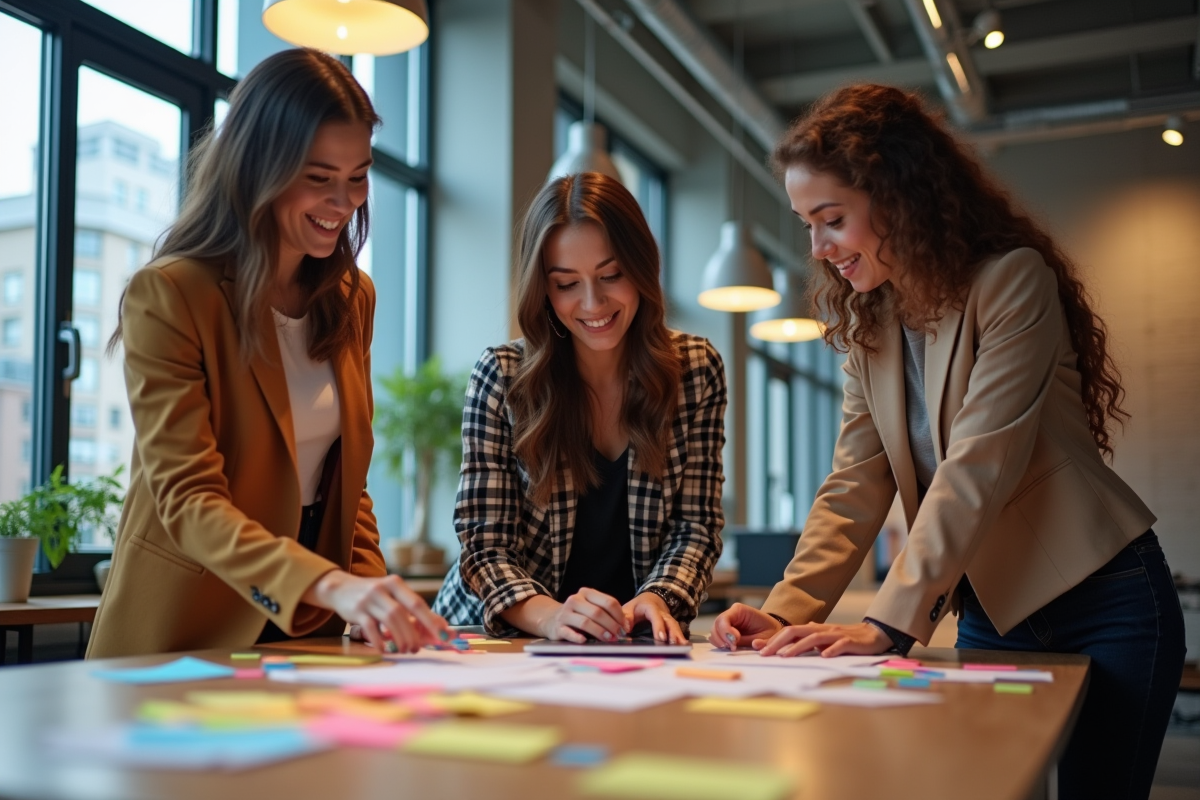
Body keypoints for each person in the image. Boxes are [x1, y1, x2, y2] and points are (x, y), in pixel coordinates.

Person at [709, 84, 1185, 800]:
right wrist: (785, 611)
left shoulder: (1012, 282)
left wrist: (886, 624)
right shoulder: (869, 326)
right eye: (807, 225)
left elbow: (978, 465)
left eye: (832, 220)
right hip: (994, 614)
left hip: (1106, 602)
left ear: (898, 196)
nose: (818, 248)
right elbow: (854, 483)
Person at [88, 49, 450, 659]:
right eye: (318, 178)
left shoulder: (352, 298)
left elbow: (346, 484)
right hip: (184, 629)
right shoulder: (172, 294)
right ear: (259, 167)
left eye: (358, 176)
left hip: (305, 626)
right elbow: (188, 500)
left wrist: (369, 594)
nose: (344, 202)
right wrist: (330, 584)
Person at [432, 172, 726, 644]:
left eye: (611, 275)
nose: (593, 302)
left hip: (624, 639)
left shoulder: (694, 370)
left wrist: (659, 598)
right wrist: (552, 617)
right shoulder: (503, 376)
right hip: (496, 638)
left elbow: (696, 527)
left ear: (642, 267)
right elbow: (485, 546)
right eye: (567, 283)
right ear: (544, 290)